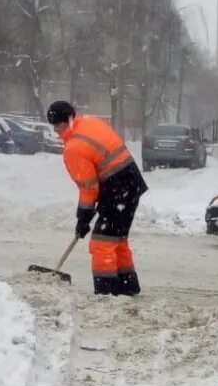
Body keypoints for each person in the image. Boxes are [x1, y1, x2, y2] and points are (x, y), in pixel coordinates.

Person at [48, 100, 148, 296]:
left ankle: (107, 293)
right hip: (131, 183)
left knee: (101, 243)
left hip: (117, 188)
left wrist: (83, 218)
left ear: (66, 121)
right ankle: (127, 286)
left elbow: (88, 188)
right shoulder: (89, 122)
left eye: (58, 125)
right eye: (54, 125)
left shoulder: (74, 148)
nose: (56, 131)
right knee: (116, 239)